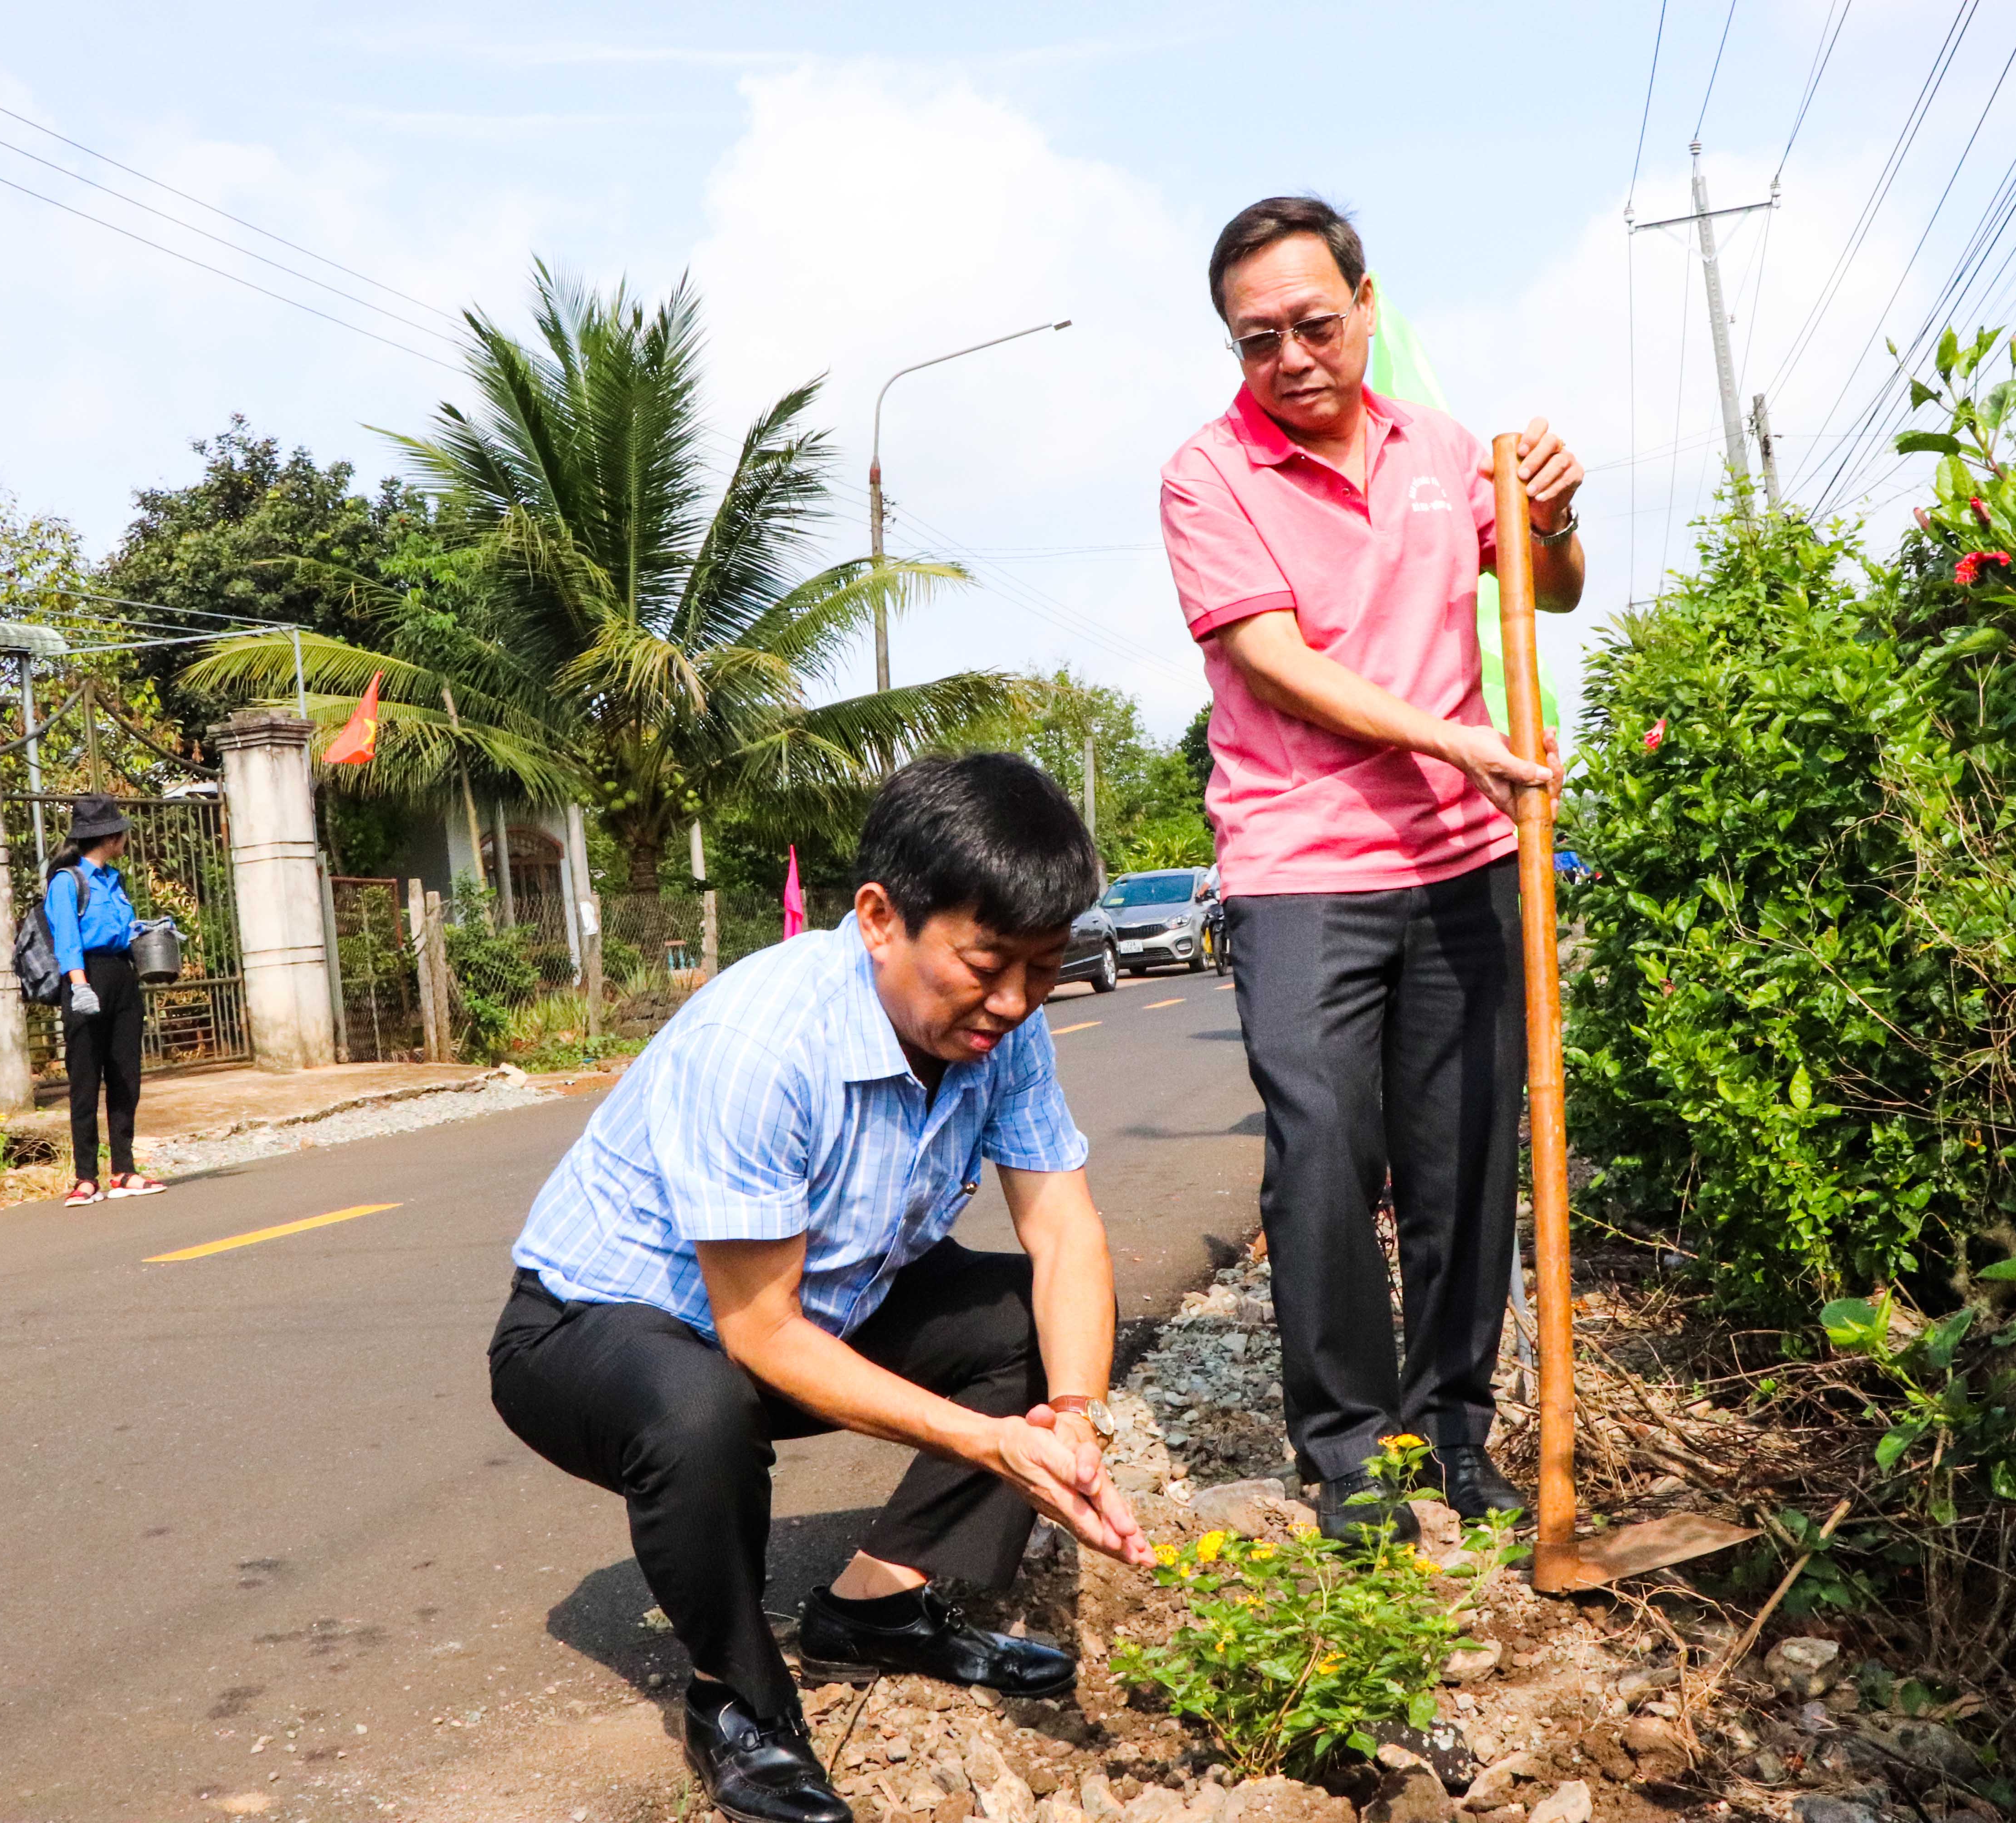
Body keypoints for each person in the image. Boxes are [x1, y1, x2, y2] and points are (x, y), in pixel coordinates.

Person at [490, 754, 1153, 1823]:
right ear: (882, 917)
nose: (1016, 1001)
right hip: (595, 1334)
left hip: (816, 1307)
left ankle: (879, 1607)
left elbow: (1065, 1229)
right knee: (698, 1412)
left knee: (1034, 1326)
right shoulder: (766, 1041)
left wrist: (1071, 1419)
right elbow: (757, 1331)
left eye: (1043, 967)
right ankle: (735, 1699)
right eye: (988, 964)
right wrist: (991, 1444)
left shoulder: (1002, 1030)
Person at [1158, 196, 1585, 1541]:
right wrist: (1451, 737)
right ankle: (1346, 1450)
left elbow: (1548, 586)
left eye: (1312, 324)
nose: (1288, 357)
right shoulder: (1206, 476)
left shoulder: (1443, 449)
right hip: (1301, 867)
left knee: (1461, 1157)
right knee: (1320, 1151)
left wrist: (1555, 514)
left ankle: (1453, 1433)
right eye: (1254, 340)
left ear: (1364, 307)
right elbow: (1276, 659)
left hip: (1459, 861)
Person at [44, 792, 165, 1208]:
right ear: (109, 837)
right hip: (86, 978)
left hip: (121, 976)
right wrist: (79, 986)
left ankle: (124, 1170)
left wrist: (149, 935)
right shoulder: (68, 881)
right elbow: (67, 940)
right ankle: (84, 1178)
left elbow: (120, 930)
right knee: (84, 1082)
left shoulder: (114, 880)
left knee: (125, 1077)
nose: (125, 840)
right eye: (122, 834)